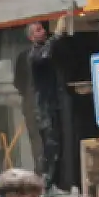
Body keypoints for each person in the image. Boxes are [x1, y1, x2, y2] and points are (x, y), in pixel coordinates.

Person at [24, 22, 67, 185]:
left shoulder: (44, 53)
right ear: (31, 37)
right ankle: (47, 181)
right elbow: (45, 55)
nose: (43, 32)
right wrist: (56, 36)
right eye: (38, 30)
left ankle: (51, 181)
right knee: (50, 145)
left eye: (42, 29)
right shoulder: (34, 55)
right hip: (44, 109)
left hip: (51, 106)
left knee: (56, 146)